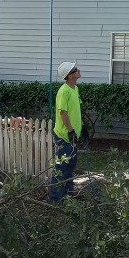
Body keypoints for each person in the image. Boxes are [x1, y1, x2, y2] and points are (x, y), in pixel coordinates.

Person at [48, 61, 83, 203]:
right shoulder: (64, 91)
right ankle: (55, 199)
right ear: (69, 76)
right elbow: (63, 113)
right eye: (75, 69)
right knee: (61, 167)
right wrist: (70, 131)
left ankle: (68, 193)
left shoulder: (75, 88)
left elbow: (77, 110)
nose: (78, 70)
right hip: (64, 135)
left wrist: (82, 127)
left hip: (73, 135)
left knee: (70, 165)